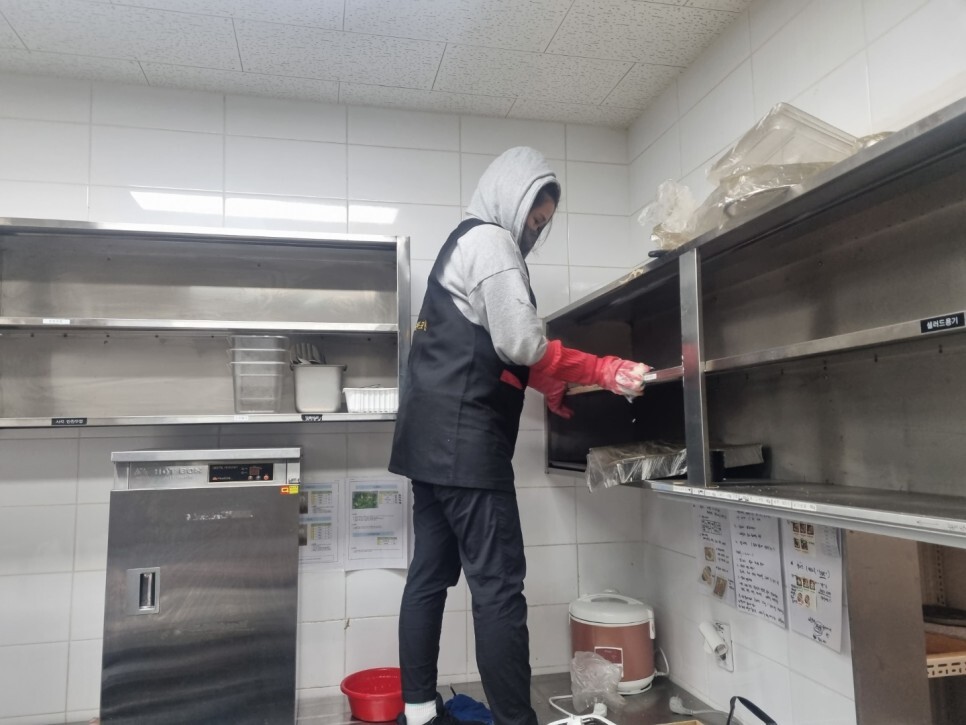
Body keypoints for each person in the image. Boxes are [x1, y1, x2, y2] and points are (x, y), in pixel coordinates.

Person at [389, 147, 650, 725]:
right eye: (534, 217)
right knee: (499, 587)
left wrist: (551, 386)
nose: (535, 230)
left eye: (543, 223)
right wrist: (602, 369)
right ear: (511, 198)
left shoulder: (461, 245)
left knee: (429, 575)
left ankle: (419, 712)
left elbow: (490, 349)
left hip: (427, 446)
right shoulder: (492, 242)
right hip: (467, 448)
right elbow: (522, 343)